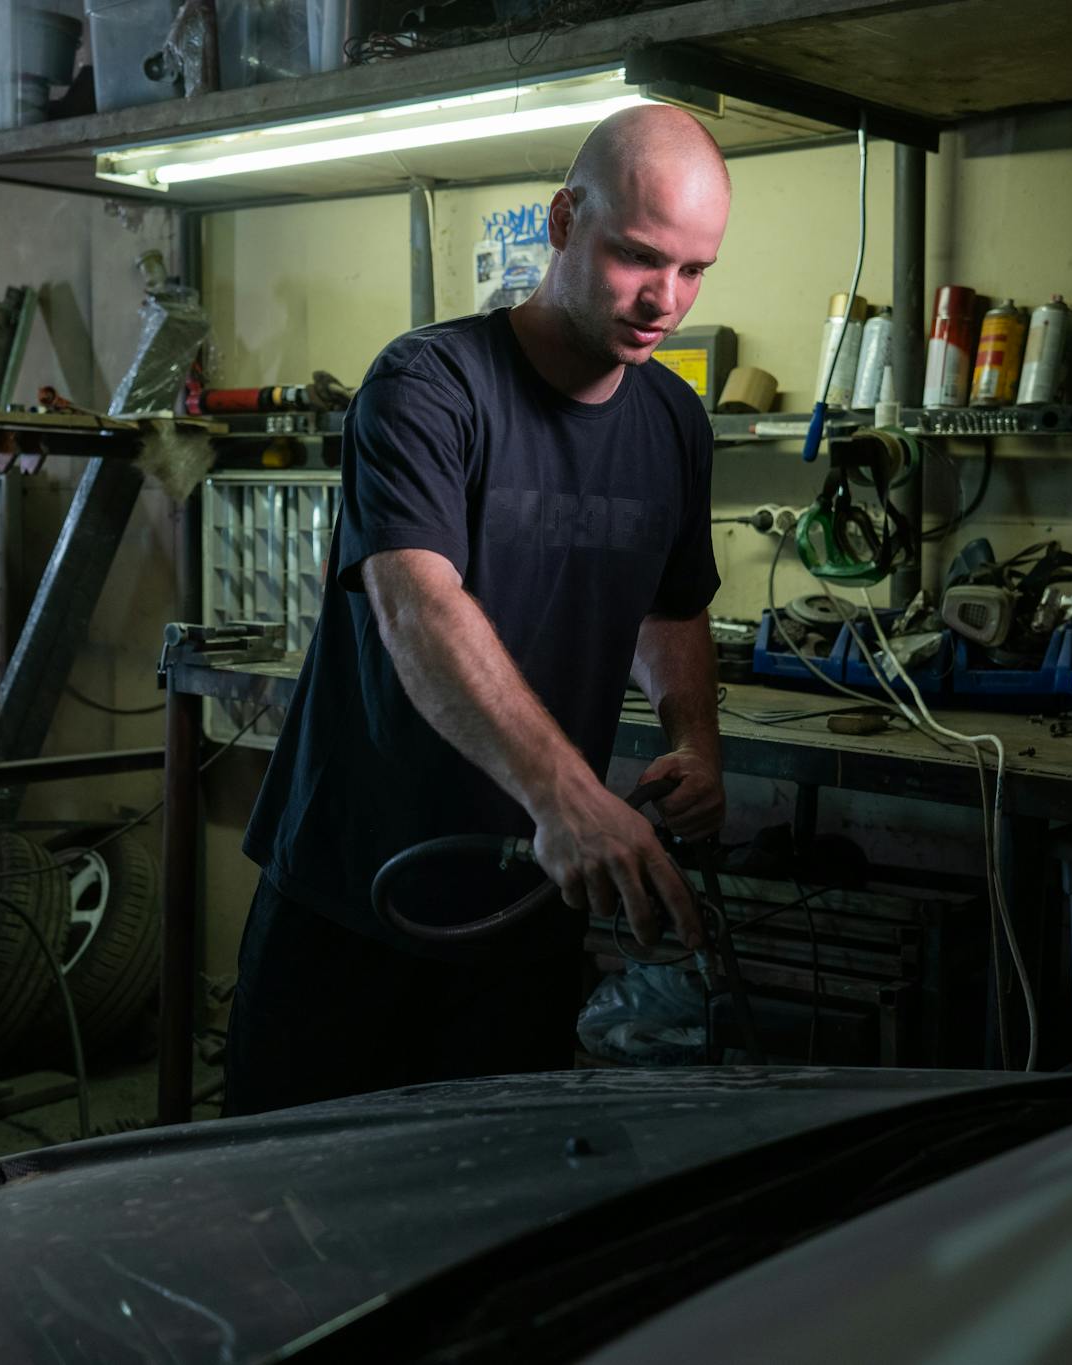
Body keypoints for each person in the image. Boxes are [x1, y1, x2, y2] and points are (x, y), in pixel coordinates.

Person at [224, 104, 733, 1116]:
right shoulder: (428, 385)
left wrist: (695, 739)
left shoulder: (672, 420)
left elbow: (670, 608)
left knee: (488, 1207)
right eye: (638, 257)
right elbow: (417, 605)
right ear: (561, 220)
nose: (662, 299)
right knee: (288, 1207)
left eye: (691, 271)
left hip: (529, 902)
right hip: (357, 889)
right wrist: (570, 796)